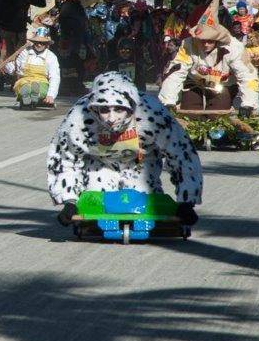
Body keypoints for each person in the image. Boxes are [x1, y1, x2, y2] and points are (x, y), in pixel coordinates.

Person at [48, 71, 203, 227]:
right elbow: (64, 158)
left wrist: (186, 200)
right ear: (94, 108)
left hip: (142, 163)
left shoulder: (153, 113)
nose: (111, 119)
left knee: (142, 205)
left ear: (132, 106)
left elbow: (182, 154)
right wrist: (69, 200)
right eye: (104, 110)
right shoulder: (79, 117)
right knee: (97, 206)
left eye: (119, 109)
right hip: (100, 163)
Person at [158, 0, 259, 115]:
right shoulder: (188, 44)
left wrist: (248, 104)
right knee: (188, 113)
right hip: (194, 83)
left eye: (210, 41)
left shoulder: (234, 47)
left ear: (218, 39)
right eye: (202, 40)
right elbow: (176, 72)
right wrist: (167, 101)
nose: (206, 44)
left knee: (217, 114)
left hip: (223, 85)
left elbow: (247, 76)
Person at [2, 26, 60, 108]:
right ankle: (27, 96)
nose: (39, 45)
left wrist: (51, 95)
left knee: (39, 88)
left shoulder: (51, 57)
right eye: (37, 42)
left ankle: (34, 96)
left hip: (41, 82)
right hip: (24, 80)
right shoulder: (25, 52)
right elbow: (15, 70)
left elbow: (55, 77)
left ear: (47, 44)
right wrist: (7, 66)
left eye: (42, 43)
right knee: (23, 87)